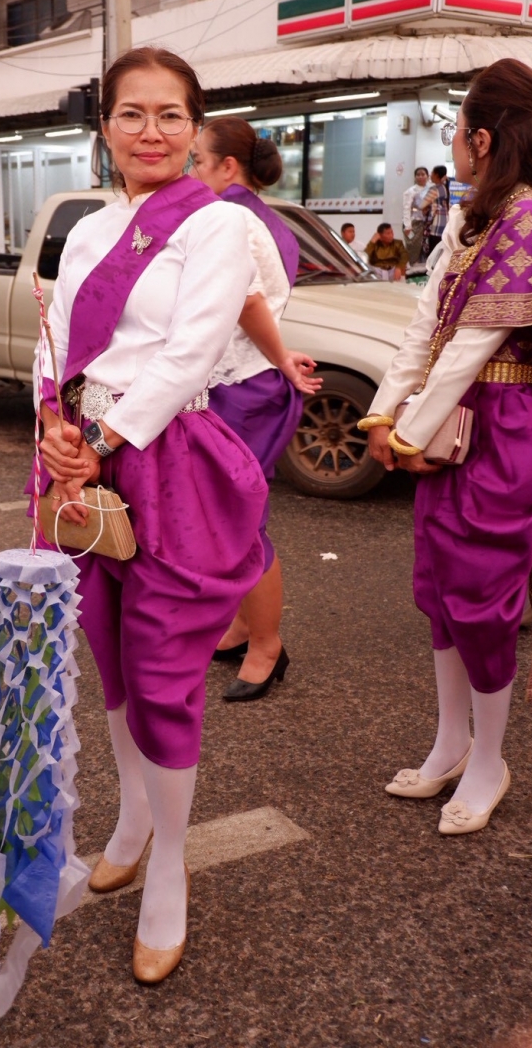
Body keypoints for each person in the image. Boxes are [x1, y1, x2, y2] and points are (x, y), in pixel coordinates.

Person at [32, 46, 267, 981]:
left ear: (194, 127)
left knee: (165, 672)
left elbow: (191, 350)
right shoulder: (89, 228)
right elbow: (55, 342)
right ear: (105, 128)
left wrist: (102, 438)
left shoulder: (217, 225)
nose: (152, 132)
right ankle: (132, 815)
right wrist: (53, 426)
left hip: (165, 459)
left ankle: (170, 861)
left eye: (171, 115)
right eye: (132, 113)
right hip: (82, 461)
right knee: (111, 653)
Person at [359, 57, 532, 835]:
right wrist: (382, 416)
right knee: (440, 588)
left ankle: (489, 759)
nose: (453, 145)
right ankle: (451, 742)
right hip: (458, 420)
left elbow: (472, 345)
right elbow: (425, 326)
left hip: (508, 425)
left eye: (457, 131)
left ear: (481, 138)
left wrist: (407, 431)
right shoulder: (473, 214)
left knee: (483, 600)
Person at [190, 117, 321, 700]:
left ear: (228, 167)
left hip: (242, 385)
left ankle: (267, 644)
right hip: (249, 379)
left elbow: (247, 305)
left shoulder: (230, 217)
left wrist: (281, 359)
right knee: (233, 518)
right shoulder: (263, 216)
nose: (191, 170)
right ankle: (245, 627)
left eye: (198, 160)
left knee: (241, 523)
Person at [402, 166, 430, 267]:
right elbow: (406, 208)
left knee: (425, 247)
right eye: (418, 175)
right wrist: (407, 226)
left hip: (427, 224)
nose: (420, 177)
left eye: (423, 174)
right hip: (413, 223)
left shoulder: (431, 190)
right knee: (412, 245)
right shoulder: (410, 191)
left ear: (427, 176)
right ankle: (411, 267)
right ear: (415, 177)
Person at [421, 165, 450, 259]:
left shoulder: (435, 189)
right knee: (440, 252)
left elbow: (422, 205)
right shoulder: (444, 187)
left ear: (437, 175)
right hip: (444, 222)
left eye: (432, 173)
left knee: (433, 252)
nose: (430, 175)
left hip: (436, 224)